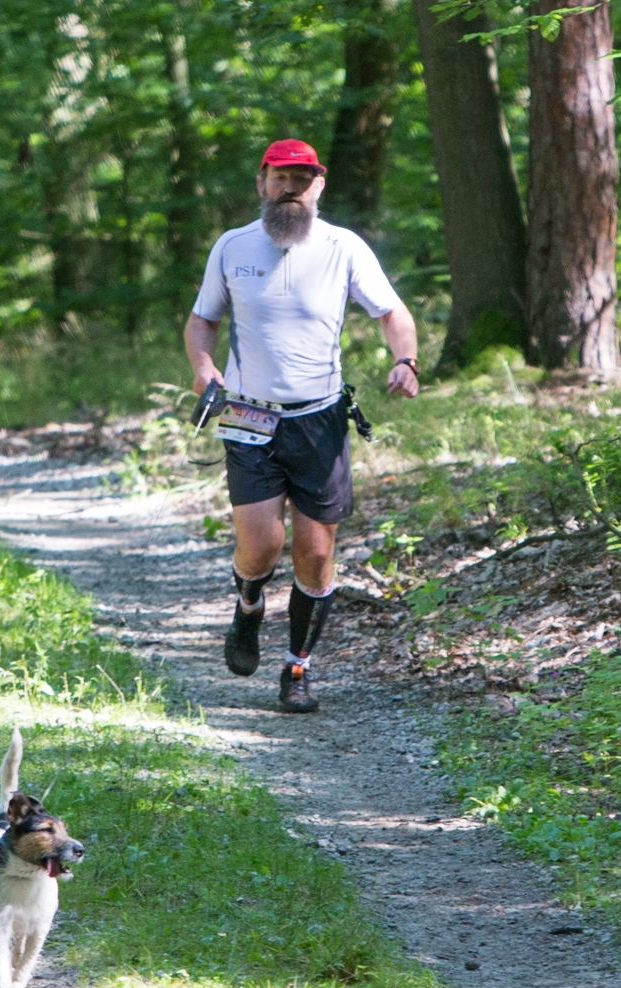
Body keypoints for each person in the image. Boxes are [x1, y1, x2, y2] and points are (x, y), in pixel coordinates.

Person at [184, 138, 420, 713]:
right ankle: (247, 606)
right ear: (262, 181)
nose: (291, 187)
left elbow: (392, 313)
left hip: (319, 419)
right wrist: (203, 367)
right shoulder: (232, 246)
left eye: (303, 177)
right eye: (280, 176)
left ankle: (297, 668)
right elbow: (201, 320)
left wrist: (405, 360)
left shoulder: (344, 247)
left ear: (319, 185)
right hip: (248, 414)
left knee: (315, 554)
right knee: (262, 545)